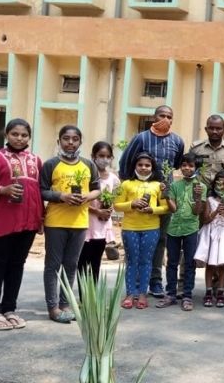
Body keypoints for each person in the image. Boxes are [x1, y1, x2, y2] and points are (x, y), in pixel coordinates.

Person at [0, 119, 43, 330]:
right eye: (15, 134)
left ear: (29, 137)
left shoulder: (36, 160)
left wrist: (40, 219)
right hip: (0, 222)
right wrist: (2, 190)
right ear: (6, 134)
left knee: (17, 265)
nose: (19, 138)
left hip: (28, 223)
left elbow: (38, 192)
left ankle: (9, 309)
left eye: (24, 135)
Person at [119, 105, 185, 299]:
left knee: (159, 240)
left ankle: (155, 281)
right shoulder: (141, 138)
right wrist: (129, 192)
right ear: (154, 117)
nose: (165, 119)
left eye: (169, 116)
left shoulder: (177, 141)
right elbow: (125, 163)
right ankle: (135, 284)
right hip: (140, 199)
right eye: (161, 115)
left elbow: (177, 164)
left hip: (163, 198)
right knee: (136, 241)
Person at [40, 125, 101, 323]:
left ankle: (65, 304)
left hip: (80, 222)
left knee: (71, 264)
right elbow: (42, 190)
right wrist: (62, 196)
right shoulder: (51, 164)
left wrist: (87, 197)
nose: (71, 142)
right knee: (53, 265)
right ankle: (53, 307)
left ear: (80, 142)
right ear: (59, 141)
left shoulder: (88, 165)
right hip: (56, 222)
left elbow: (97, 189)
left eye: (75, 139)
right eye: (66, 138)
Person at [114, 152, 168, 309]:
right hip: (130, 228)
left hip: (151, 228)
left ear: (152, 167)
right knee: (132, 261)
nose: (144, 168)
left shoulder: (158, 185)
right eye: (140, 165)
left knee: (146, 262)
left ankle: (143, 294)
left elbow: (166, 207)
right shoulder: (125, 184)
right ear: (134, 166)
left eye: (147, 165)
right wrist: (132, 204)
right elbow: (116, 205)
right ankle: (130, 294)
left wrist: (152, 209)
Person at [157, 153, 206, 311]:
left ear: (196, 168)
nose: (187, 168)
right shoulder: (175, 185)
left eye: (191, 166)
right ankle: (170, 294)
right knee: (172, 262)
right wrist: (166, 196)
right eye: (184, 165)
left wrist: (198, 197)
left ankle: (187, 296)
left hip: (191, 229)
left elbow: (197, 211)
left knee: (190, 263)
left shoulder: (201, 187)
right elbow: (173, 209)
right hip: (174, 229)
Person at [195, 170, 224, 308]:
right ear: (214, 185)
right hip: (211, 234)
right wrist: (215, 212)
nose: (222, 187)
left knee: (222, 265)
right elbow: (205, 220)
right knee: (210, 264)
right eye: (219, 184)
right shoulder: (210, 200)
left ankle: (220, 291)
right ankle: (208, 291)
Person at [78, 142, 121, 287]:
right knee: (83, 262)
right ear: (93, 156)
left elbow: (115, 199)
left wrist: (109, 210)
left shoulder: (114, 179)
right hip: (86, 223)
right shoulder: (85, 175)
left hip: (102, 225)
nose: (105, 159)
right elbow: (80, 199)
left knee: (96, 262)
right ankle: (84, 295)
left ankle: (93, 296)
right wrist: (96, 211)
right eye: (101, 156)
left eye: (108, 156)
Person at [189, 114, 224, 186]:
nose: (214, 131)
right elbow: (189, 170)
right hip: (199, 189)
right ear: (206, 129)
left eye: (218, 128)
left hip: (222, 190)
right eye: (211, 128)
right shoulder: (196, 148)